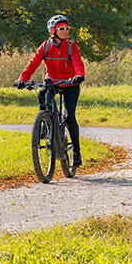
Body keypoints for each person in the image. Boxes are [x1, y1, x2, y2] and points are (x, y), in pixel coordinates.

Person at [14, 14, 86, 167]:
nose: (65, 31)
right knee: (41, 93)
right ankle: (44, 123)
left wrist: (79, 76)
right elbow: (33, 63)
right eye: (62, 28)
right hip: (52, 81)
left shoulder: (71, 46)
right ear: (53, 30)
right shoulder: (46, 46)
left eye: (67, 28)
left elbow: (78, 62)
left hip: (70, 83)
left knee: (69, 115)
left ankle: (76, 153)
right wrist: (22, 79)